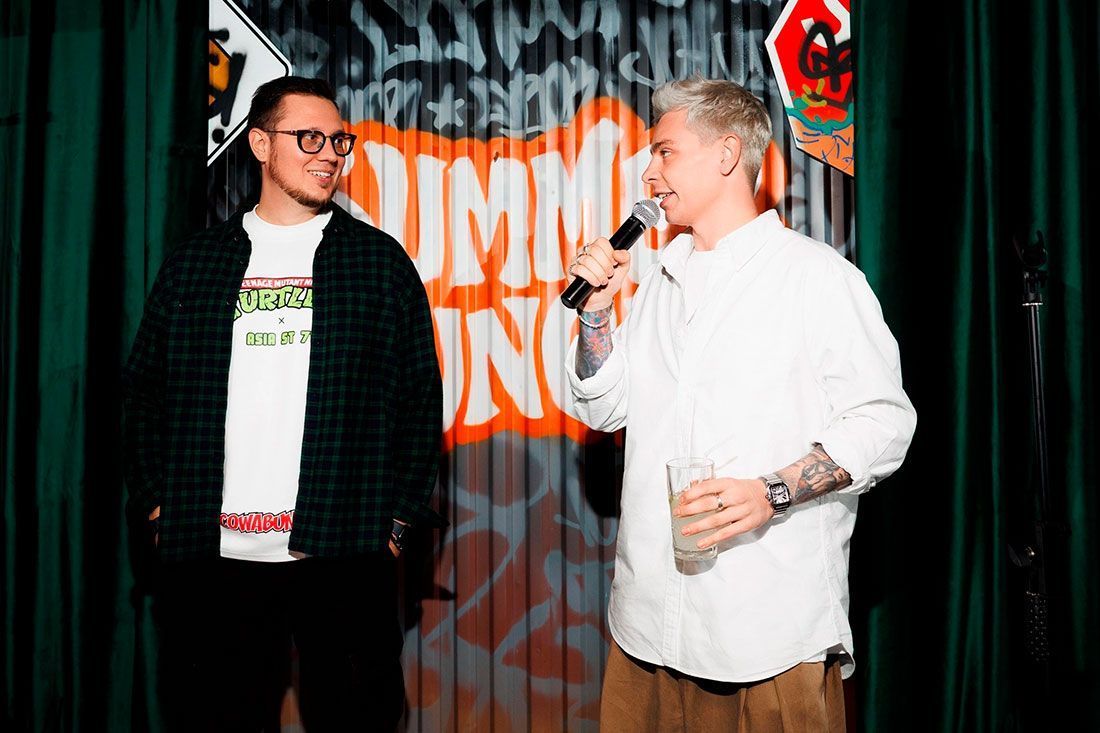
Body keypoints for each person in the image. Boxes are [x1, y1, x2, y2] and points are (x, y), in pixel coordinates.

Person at [566, 77, 916, 731]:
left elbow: (884, 422)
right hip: (647, 628)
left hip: (765, 635)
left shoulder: (815, 277)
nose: (649, 173)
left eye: (665, 152)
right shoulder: (660, 280)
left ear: (727, 153)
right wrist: (596, 315)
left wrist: (771, 492)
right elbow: (603, 408)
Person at [122, 76, 442, 732]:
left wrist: (396, 525)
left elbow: (419, 402)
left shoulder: (378, 265)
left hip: (343, 554)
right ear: (261, 144)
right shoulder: (195, 265)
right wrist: (156, 502)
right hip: (214, 561)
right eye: (309, 138)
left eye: (339, 141)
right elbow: (144, 391)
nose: (330, 154)